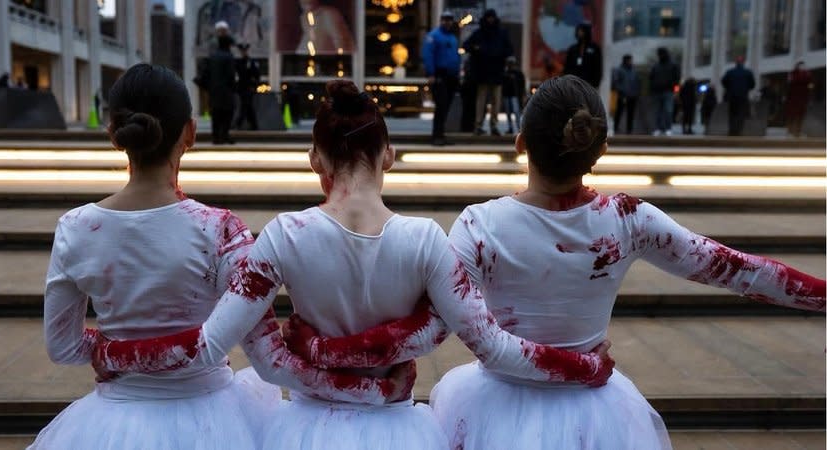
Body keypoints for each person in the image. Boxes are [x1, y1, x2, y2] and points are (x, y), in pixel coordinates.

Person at [296, 75, 827, 449]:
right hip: (600, 409)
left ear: (521, 143)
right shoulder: (628, 219)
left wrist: (322, 351)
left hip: (495, 408)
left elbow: (427, 329)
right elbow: (741, 270)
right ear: (598, 150)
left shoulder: (482, 226)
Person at [89, 80, 614, 449]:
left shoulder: (280, 237)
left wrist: (108, 349)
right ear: (388, 154)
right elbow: (488, 343)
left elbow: (249, 355)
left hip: (306, 427)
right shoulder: (427, 241)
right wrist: (582, 364)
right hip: (397, 427)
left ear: (315, 159)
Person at [28, 63, 281, 449]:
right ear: (190, 133)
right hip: (214, 416)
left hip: (112, 419)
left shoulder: (76, 228)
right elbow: (262, 348)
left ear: (114, 135)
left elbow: (62, 347)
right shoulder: (220, 230)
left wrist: (119, 349)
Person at [463, 9, 513, 136]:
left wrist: (478, 50)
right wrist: (476, 50)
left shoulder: (496, 33)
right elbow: (466, 45)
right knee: (483, 101)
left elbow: (509, 49)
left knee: (493, 101)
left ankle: (492, 125)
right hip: (485, 72)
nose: (490, 20)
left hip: (493, 72)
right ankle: (479, 125)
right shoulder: (483, 33)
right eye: (489, 17)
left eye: (492, 17)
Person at [423, 10, 461, 146]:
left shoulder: (452, 37)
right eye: (445, 19)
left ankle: (441, 134)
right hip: (439, 75)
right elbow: (428, 55)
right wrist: (431, 73)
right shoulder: (434, 36)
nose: (447, 22)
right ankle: (436, 136)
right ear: (441, 21)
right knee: (441, 105)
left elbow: (456, 56)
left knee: (446, 107)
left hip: (451, 76)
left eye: (449, 20)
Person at [209, 34, 237, 144]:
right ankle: (224, 135)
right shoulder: (228, 57)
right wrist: (234, 87)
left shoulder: (213, 56)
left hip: (214, 90)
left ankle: (216, 137)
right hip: (226, 91)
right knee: (227, 113)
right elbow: (231, 75)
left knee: (216, 114)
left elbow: (206, 73)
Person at [721, 56, 756, 136]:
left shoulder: (730, 72)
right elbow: (752, 84)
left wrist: (729, 88)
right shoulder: (747, 72)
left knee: (732, 114)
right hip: (743, 96)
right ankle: (739, 130)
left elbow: (723, 82)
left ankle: (732, 130)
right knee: (741, 114)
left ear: (736, 63)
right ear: (743, 62)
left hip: (732, 96)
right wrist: (746, 88)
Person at [649, 47, 680, 136]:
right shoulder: (656, 66)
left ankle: (667, 128)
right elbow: (651, 78)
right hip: (658, 91)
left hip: (668, 91)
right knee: (659, 111)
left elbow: (676, 79)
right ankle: (659, 128)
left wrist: (675, 91)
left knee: (667, 110)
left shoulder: (672, 65)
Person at [563, 23, 602, 89]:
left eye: (581, 31)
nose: (579, 33)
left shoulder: (595, 48)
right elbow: (567, 66)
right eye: (578, 31)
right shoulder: (573, 49)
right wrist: (567, 80)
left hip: (589, 83)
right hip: (573, 83)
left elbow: (598, 67)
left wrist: (596, 83)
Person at [612, 54, 639, 134]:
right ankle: (615, 128)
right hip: (622, 96)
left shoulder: (633, 71)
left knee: (631, 114)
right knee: (619, 113)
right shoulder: (619, 70)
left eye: (631, 60)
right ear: (625, 60)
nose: (630, 62)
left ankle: (629, 130)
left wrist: (636, 92)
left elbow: (637, 82)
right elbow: (615, 82)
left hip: (632, 96)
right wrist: (621, 90)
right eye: (629, 60)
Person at [235, 42, 260, 130]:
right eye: (242, 51)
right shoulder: (238, 62)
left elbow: (257, 75)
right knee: (247, 106)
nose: (243, 52)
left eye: (245, 51)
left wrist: (255, 86)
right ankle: (254, 125)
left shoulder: (251, 62)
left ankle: (239, 123)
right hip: (242, 87)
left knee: (245, 105)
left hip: (249, 87)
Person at [785, 61, 812, 137]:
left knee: (801, 115)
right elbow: (789, 84)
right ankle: (790, 130)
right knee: (792, 115)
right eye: (800, 65)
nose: (802, 67)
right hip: (793, 98)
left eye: (803, 65)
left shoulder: (807, 74)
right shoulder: (793, 74)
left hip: (803, 98)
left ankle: (798, 131)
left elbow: (810, 85)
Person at [501, 56, 526, 135]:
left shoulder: (518, 73)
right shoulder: (505, 73)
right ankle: (511, 127)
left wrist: (522, 94)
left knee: (516, 112)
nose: (510, 65)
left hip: (514, 95)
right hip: (507, 95)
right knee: (508, 113)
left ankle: (519, 128)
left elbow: (522, 84)